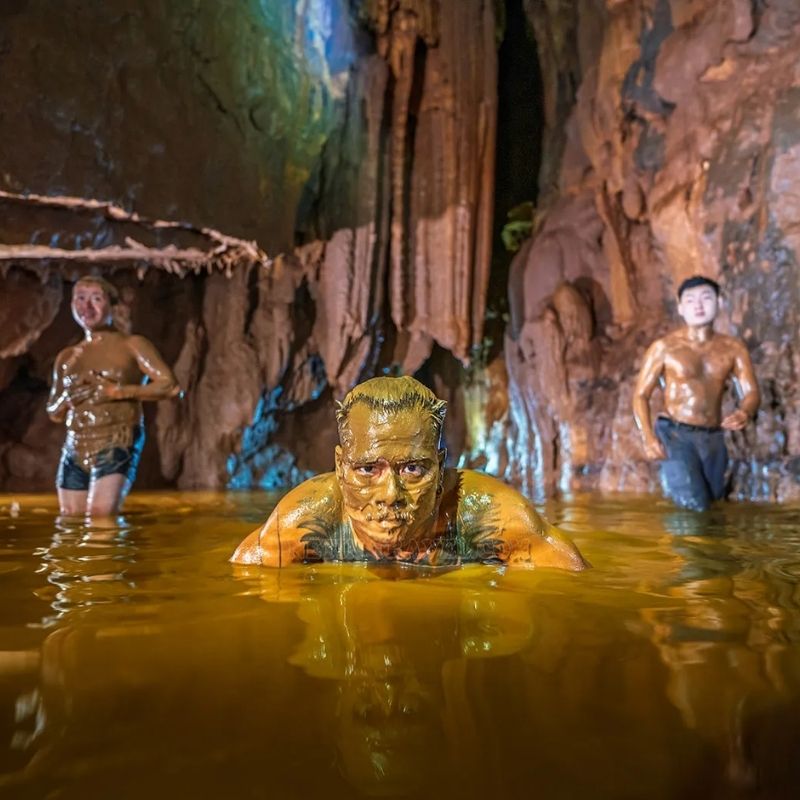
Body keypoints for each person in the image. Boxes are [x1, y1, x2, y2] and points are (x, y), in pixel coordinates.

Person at [231, 375, 588, 569]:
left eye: (413, 468)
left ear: (441, 466)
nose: (390, 494)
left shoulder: (488, 515)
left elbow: (567, 589)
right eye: (368, 469)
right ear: (340, 467)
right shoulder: (307, 520)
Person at [46, 276, 180, 516]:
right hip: (76, 444)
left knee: (100, 515)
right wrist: (66, 401)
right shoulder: (66, 357)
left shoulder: (132, 345)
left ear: (113, 306)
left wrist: (119, 392)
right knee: (70, 517)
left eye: (96, 299)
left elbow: (170, 386)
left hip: (116, 439)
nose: (87, 306)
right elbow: (53, 412)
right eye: (80, 298)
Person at [633, 275, 759, 511]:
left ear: (719, 303)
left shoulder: (733, 349)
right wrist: (648, 437)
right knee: (695, 507)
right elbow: (641, 395)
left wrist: (745, 411)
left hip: (713, 436)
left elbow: (751, 392)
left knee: (713, 505)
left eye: (706, 298)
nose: (698, 305)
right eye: (690, 300)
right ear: (680, 308)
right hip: (675, 434)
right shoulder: (664, 348)